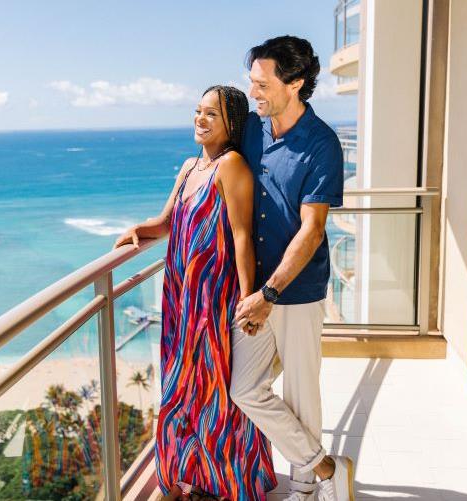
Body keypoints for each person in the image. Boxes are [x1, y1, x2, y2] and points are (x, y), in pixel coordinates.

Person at [115, 85, 277, 500]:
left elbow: (242, 237)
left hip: (214, 301)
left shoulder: (232, 165)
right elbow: (167, 220)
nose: (200, 120)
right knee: (183, 388)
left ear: (231, 125)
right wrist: (139, 230)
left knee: (215, 391)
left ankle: (229, 484)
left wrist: (247, 300)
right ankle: (192, 479)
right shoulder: (190, 167)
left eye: (212, 115)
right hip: (180, 300)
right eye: (198, 112)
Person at [231, 36, 354, 501]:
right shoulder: (251, 129)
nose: (254, 92)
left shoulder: (321, 144)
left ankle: (306, 489)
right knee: (245, 389)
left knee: (303, 394)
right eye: (251, 82)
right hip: (253, 288)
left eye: (263, 84)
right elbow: (209, 169)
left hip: (295, 292)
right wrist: (161, 222)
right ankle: (325, 467)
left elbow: (313, 229)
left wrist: (271, 294)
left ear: (296, 83)